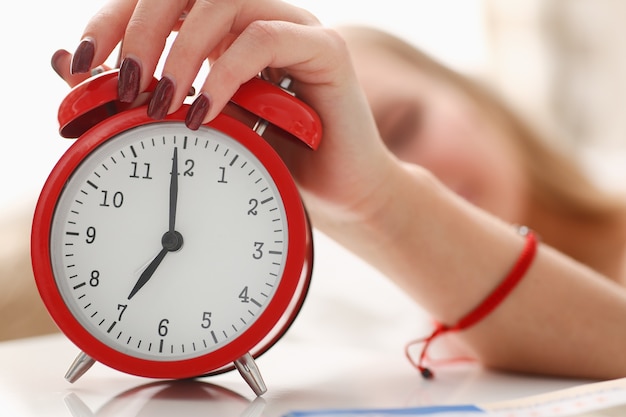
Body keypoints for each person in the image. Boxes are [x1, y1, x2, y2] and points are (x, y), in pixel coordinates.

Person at [36, 0, 626, 380]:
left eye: (398, 127)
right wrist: (368, 203)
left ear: (471, 90)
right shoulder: (394, 338)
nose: (407, 169)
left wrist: (391, 196)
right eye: (378, 155)